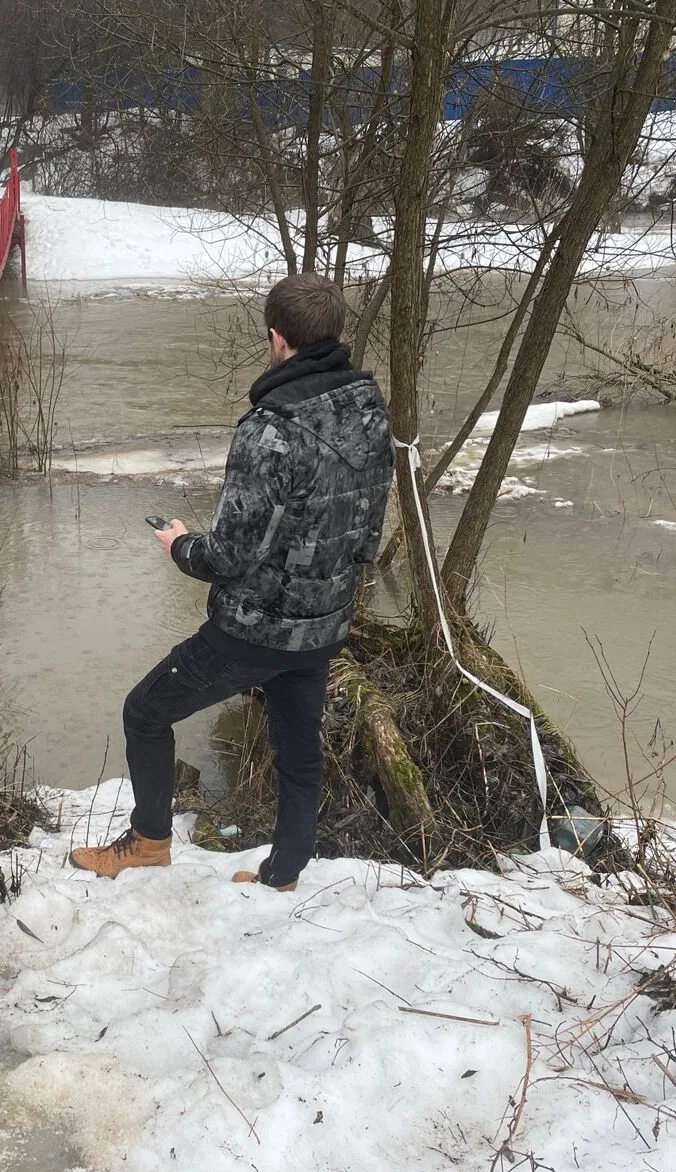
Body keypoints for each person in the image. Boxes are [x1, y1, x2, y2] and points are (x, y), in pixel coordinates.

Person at [71, 272, 394, 892]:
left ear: (277, 338)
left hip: (258, 630)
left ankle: (148, 844)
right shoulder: (368, 408)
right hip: (326, 620)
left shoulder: (271, 429)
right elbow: (365, 521)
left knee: (144, 711)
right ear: (335, 331)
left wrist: (179, 546)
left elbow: (229, 556)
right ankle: (285, 872)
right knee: (298, 746)